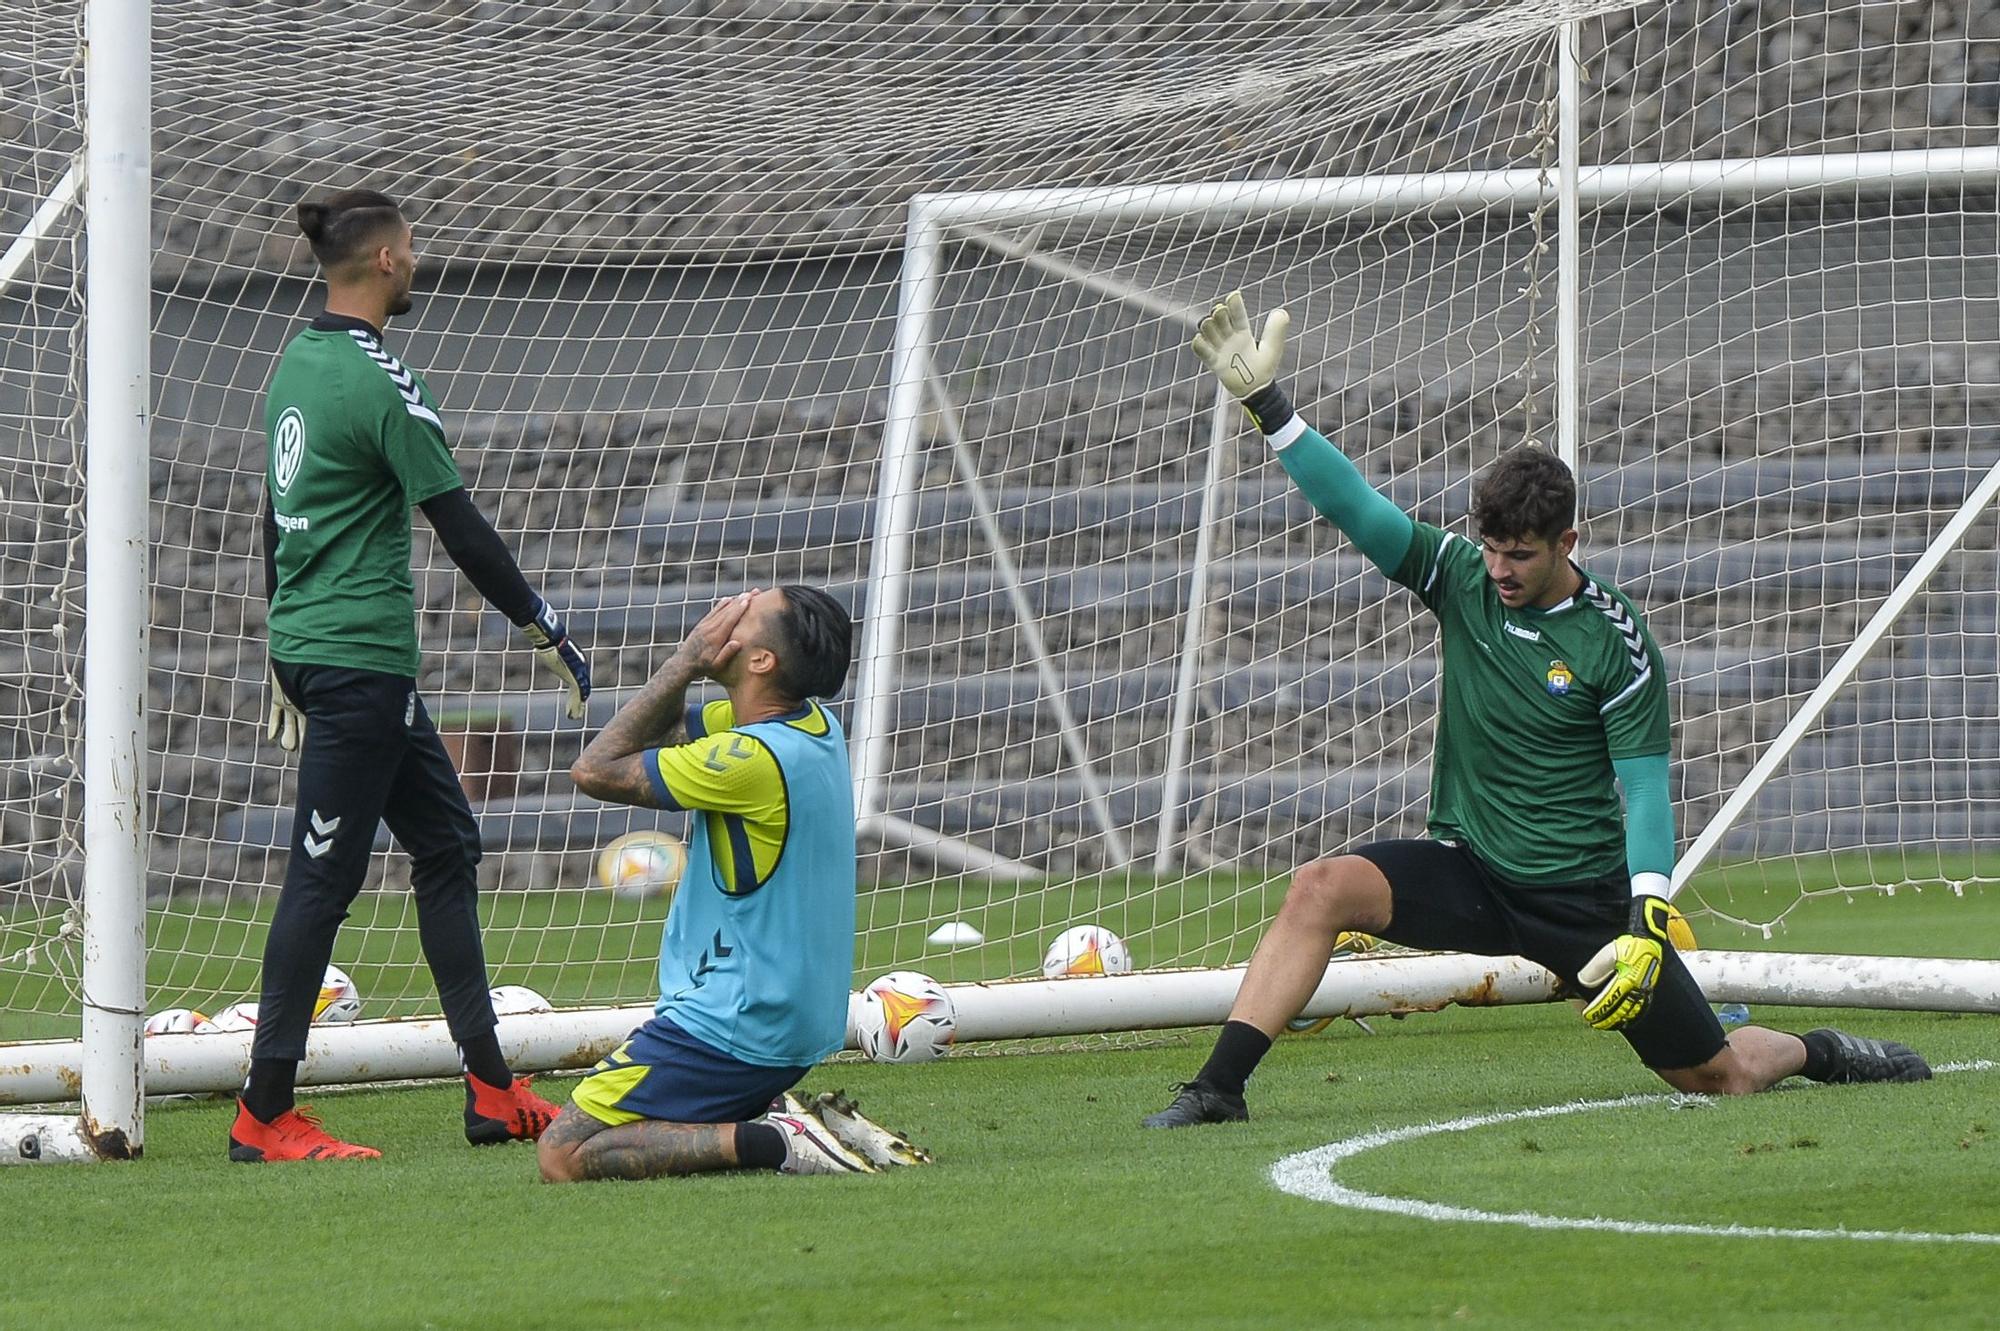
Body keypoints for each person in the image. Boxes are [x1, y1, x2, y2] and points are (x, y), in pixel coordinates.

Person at [1145, 293, 1931, 1129]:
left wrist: (1647, 911)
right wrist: (1271, 409)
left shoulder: (1616, 642)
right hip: (1475, 872)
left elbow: (1645, 790)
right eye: (1490, 549)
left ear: (1567, 543)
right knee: (1321, 888)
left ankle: (1821, 1050)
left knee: (1722, 1077)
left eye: (1518, 555)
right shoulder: (1457, 576)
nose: (1500, 571)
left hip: (1580, 901)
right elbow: (1358, 510)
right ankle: (1217, 1089)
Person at [236, 188, 590, 1162]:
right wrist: (541, 624)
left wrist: (280, 641)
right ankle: (264, 1113)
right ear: (388, 259)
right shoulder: (380, 379)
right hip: (357, 660)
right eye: (414, 247)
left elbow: (275, 516)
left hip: (323, 651)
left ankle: (487, 1084)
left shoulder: (293, 366)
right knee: (323, 881)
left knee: (445, 841)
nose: (419, 259)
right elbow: (459, 524)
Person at [544, 586, 922, 1180]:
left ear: (762, 660)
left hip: (738, 1018)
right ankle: (781, 1114)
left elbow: (594, 769)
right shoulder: (811, 724)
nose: (727, 610)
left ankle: (780, 1140)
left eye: (743, 611)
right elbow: (661, 730)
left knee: (564, 1153)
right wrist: (692, 670)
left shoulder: (748, 759)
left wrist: (688, 659)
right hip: (792, 1016)